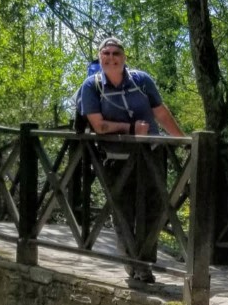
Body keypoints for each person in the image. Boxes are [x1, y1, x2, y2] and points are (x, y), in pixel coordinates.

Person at [77, 35, 183, 285]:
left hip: (151, 154)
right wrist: (131, 127)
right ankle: (132, 263)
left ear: (124, 58)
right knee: (123, 211)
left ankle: (144, 264)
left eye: (116, 53)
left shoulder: (142, 80)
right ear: (100, 57)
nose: (111, 58)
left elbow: (160, 112)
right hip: (116, 158)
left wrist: (183, 139)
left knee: (154, 209)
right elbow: (99, 126)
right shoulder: (91, 87)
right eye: (106, 53)